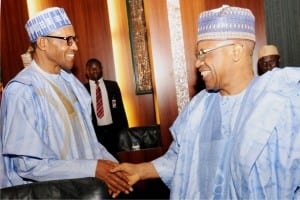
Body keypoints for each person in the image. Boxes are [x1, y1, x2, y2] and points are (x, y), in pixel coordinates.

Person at [111, 5, 300, 199]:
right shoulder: (200, 107)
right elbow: (183, 158)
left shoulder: (280, 105)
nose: (197, 63)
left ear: (235, 51)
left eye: (204, 53)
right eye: (197, 55)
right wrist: (141, 170)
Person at [0, 7, 133, 197]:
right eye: (67, 40)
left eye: (74, 39)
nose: (75, 47)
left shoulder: (71, 82)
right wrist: (92, 169)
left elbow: (89, 142)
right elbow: (29, 166)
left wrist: (114, 169)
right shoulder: (21, 91)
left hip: (85, 189)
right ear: (43, 43)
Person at [84, 58, 129, 159]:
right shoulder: (82, 89)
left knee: (117, 161)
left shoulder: (112, 86)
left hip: (113, 131)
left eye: (97, 68)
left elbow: (121, 108)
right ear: (87, 72)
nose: (94, 70)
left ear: (101, 69)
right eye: (91, 68)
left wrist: (125, 129)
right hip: (95, 134)